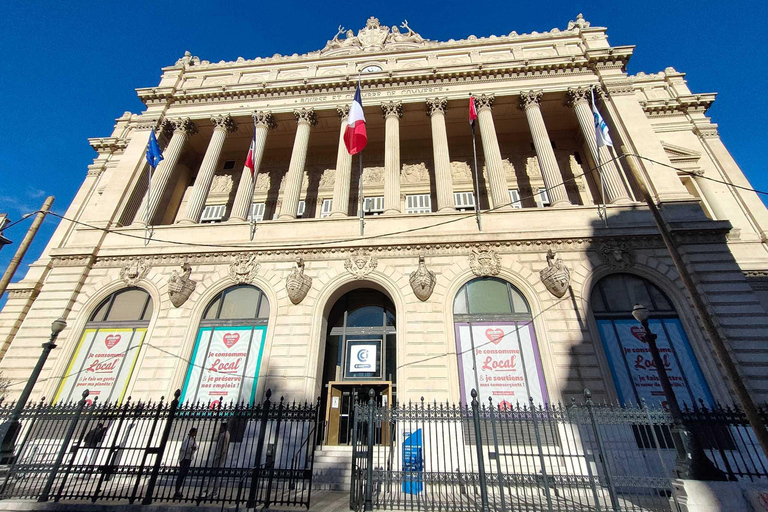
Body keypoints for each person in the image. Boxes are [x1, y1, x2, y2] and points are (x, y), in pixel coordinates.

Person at [202, 423, 231, 499]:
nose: (220, 428)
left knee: (216, 475)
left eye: (221, 427)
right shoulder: (226, 434)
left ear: (223, 427)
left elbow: (223, 448)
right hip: (220, 457)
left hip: (219, 458)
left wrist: (217, 456)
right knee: (214, 474)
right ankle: (208, 491)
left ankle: (213, 492)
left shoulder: (224, 435)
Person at [173, 427, 198, 499]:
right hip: (184, 458)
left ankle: (178, 491)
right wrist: (192, 448)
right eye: (195, 432)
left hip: (189, 458)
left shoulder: (193, 439)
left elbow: (196, 446)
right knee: (181, 474)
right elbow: (185, 448)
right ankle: (177, 491)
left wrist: (194, 448)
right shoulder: (187, 439)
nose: (196, 434)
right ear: (192, 432)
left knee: (183, 475)